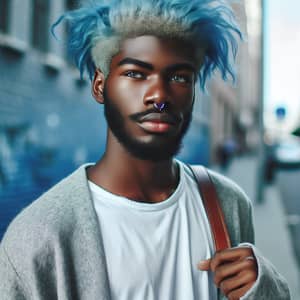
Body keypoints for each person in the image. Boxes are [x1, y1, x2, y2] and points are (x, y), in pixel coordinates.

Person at [0, 0, 290, 299]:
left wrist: (261, 287)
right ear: (100, 85)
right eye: (136, 74)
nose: (160, 97)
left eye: (180, 77)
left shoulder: (226, 202)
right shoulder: (39, 235)